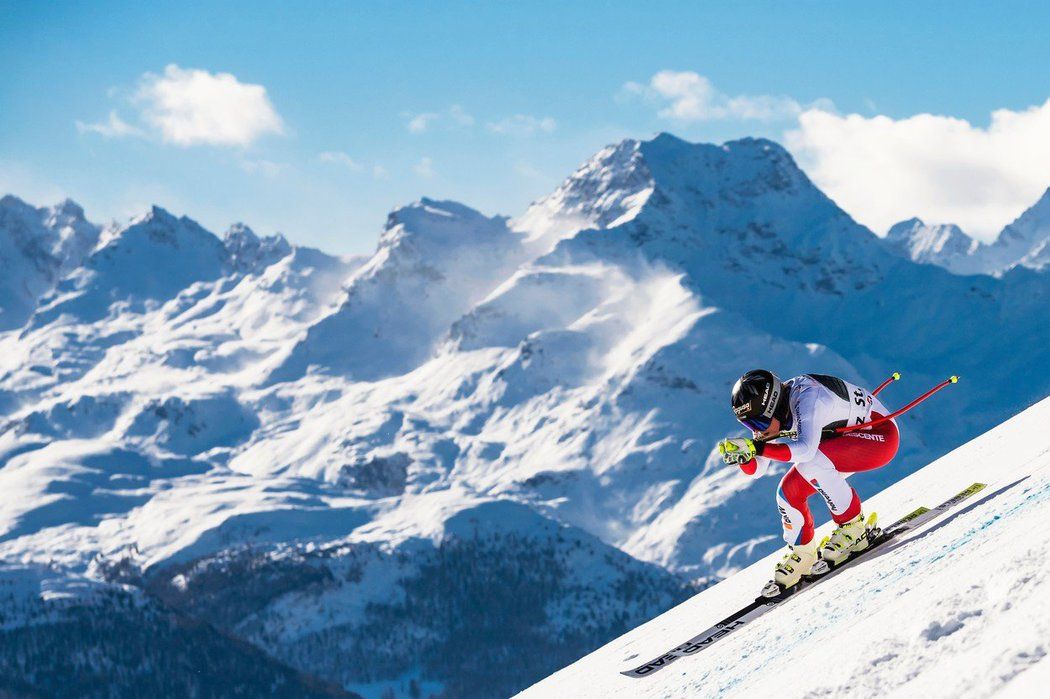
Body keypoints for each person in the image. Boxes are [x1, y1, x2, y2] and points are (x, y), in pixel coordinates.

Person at [717, 369, 900, 593]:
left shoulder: (809, 397)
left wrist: (758, 447)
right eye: (749, 425)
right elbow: (757, 469)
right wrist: (744, 457)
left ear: (773, 405)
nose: (756, 431)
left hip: (880, 438)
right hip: (841, 442)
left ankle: (853, 528)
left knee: (813, 464)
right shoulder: (773, 416)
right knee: (787, 492)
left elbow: (805, 450)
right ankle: (803, 553)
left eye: (759, 424)